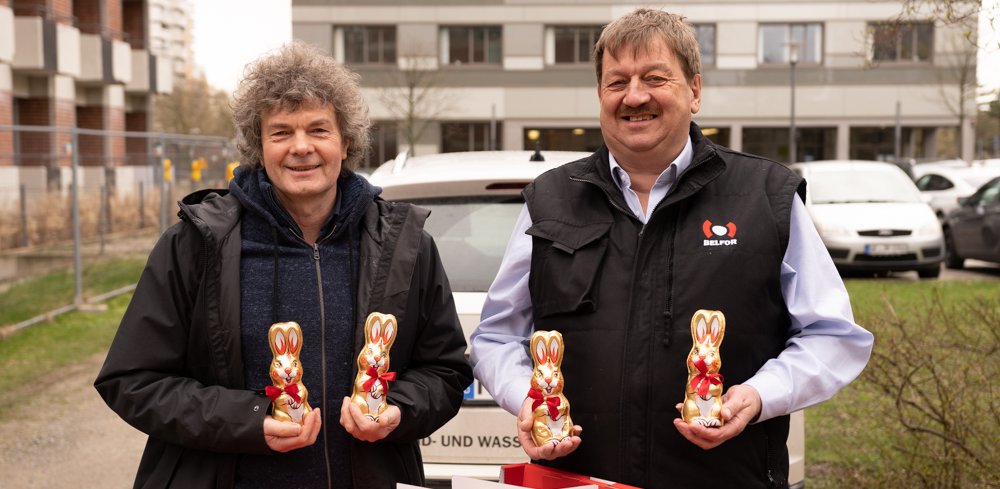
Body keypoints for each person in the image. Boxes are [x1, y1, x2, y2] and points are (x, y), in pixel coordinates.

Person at [470, 8, 873, 489]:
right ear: (600, 95)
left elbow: (833, 336)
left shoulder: (765, 195)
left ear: (695, 91)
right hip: (581, 480)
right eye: (617, 82)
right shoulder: (550, 200)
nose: (635, 96)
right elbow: (496, 337)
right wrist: (528, 398)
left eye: (655, 78)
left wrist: (759, 396)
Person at [95, 41, 473, 489]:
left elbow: (445, 371)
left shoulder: (404, 244)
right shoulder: (197, 243)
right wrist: (249, 421)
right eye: (281, 132)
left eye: (318, 130)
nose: (301, 147)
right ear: (258, 146)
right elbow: (132, 380)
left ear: (345, 141)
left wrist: (399, 411)